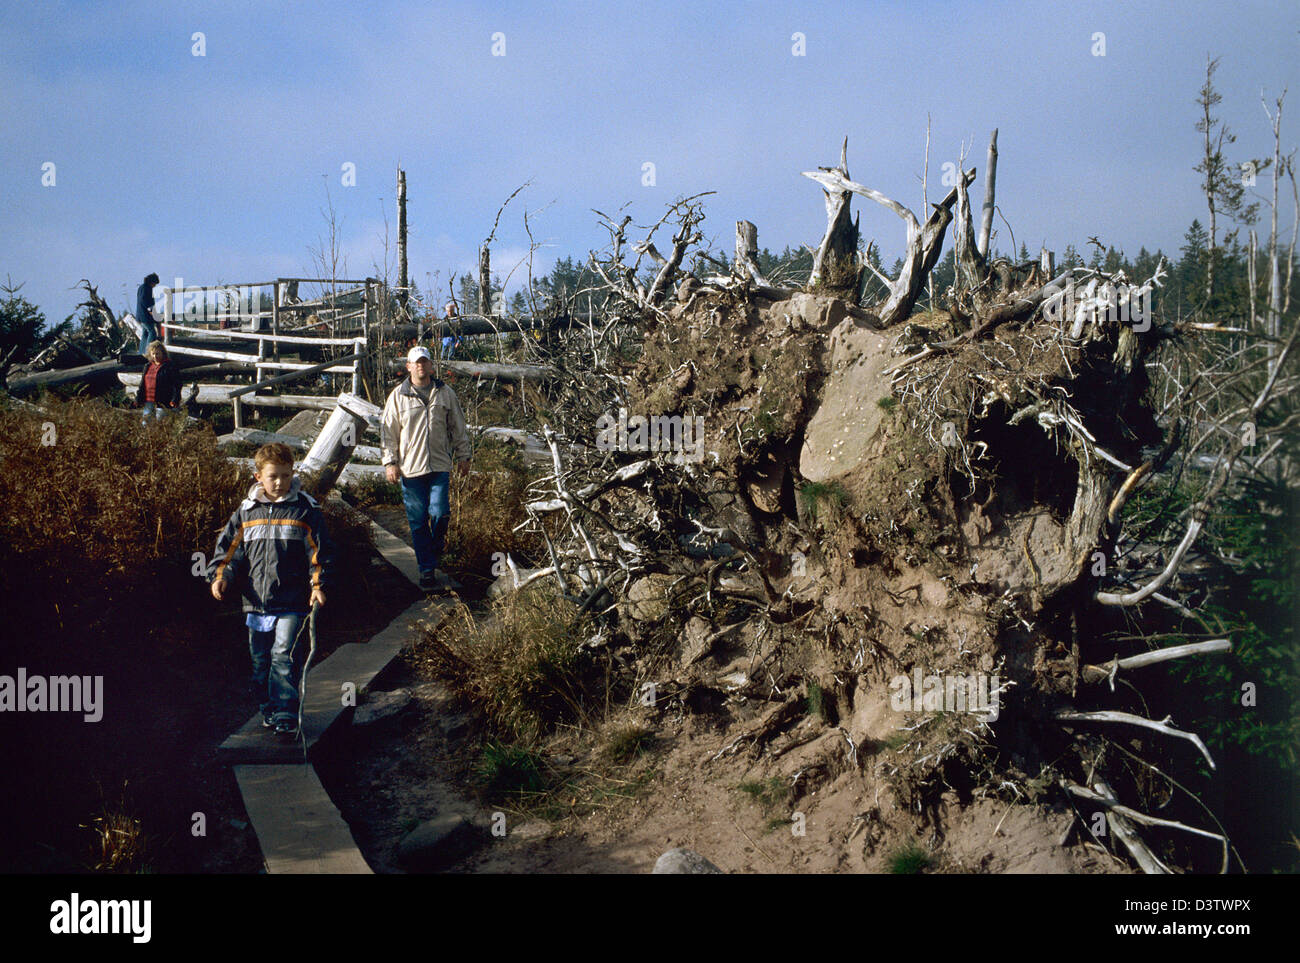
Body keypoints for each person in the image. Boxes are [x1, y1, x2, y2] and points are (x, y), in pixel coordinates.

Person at [208, 443, 332, 737]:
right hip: (256, 603)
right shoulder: (247, 512)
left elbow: (319, 554)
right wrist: (221, 575)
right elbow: (229, 550)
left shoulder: (305, 510)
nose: (279, 483)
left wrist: (318, 585)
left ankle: (287, 712)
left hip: (292, 602)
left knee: (283, 655)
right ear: (258, 477)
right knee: (261, 660)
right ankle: (268, 708)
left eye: (286, 476)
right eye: (273, 476)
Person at [381, 345, 471, 592]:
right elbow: (389, 432)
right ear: (408, 367)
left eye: (425, 362)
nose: (421, 366)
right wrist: (390, 463)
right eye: (416, 362)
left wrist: (464, 456)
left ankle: (434, 549)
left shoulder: (445, 393)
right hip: (411, 470)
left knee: (440, 513)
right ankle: (427, 569)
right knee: (418, 521)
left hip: (440, 466)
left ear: (431, 365)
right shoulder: (398, 396)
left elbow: (458, 427)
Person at [135, 341, 181, 423]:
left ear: (163, 353)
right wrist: (138, 398)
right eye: (153, 354)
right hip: (148, 401)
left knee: (160, 424)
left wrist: (175, 399)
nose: (155, 356)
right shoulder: (148, 366)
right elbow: (142, 384)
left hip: (163, 401)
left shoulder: (170, 366)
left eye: (157, 354)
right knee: (145, 424)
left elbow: (177, 384)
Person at [136, 272, 161, 355]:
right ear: (152, 282)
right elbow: (146, 303)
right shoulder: (147, 289)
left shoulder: (141, 288)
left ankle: (141, 352)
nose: (155, 286)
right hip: (145, 316)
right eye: (155, 284)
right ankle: (147, 352)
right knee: (152, 332)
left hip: (140, 315)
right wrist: (152, 313)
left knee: (145, 333)